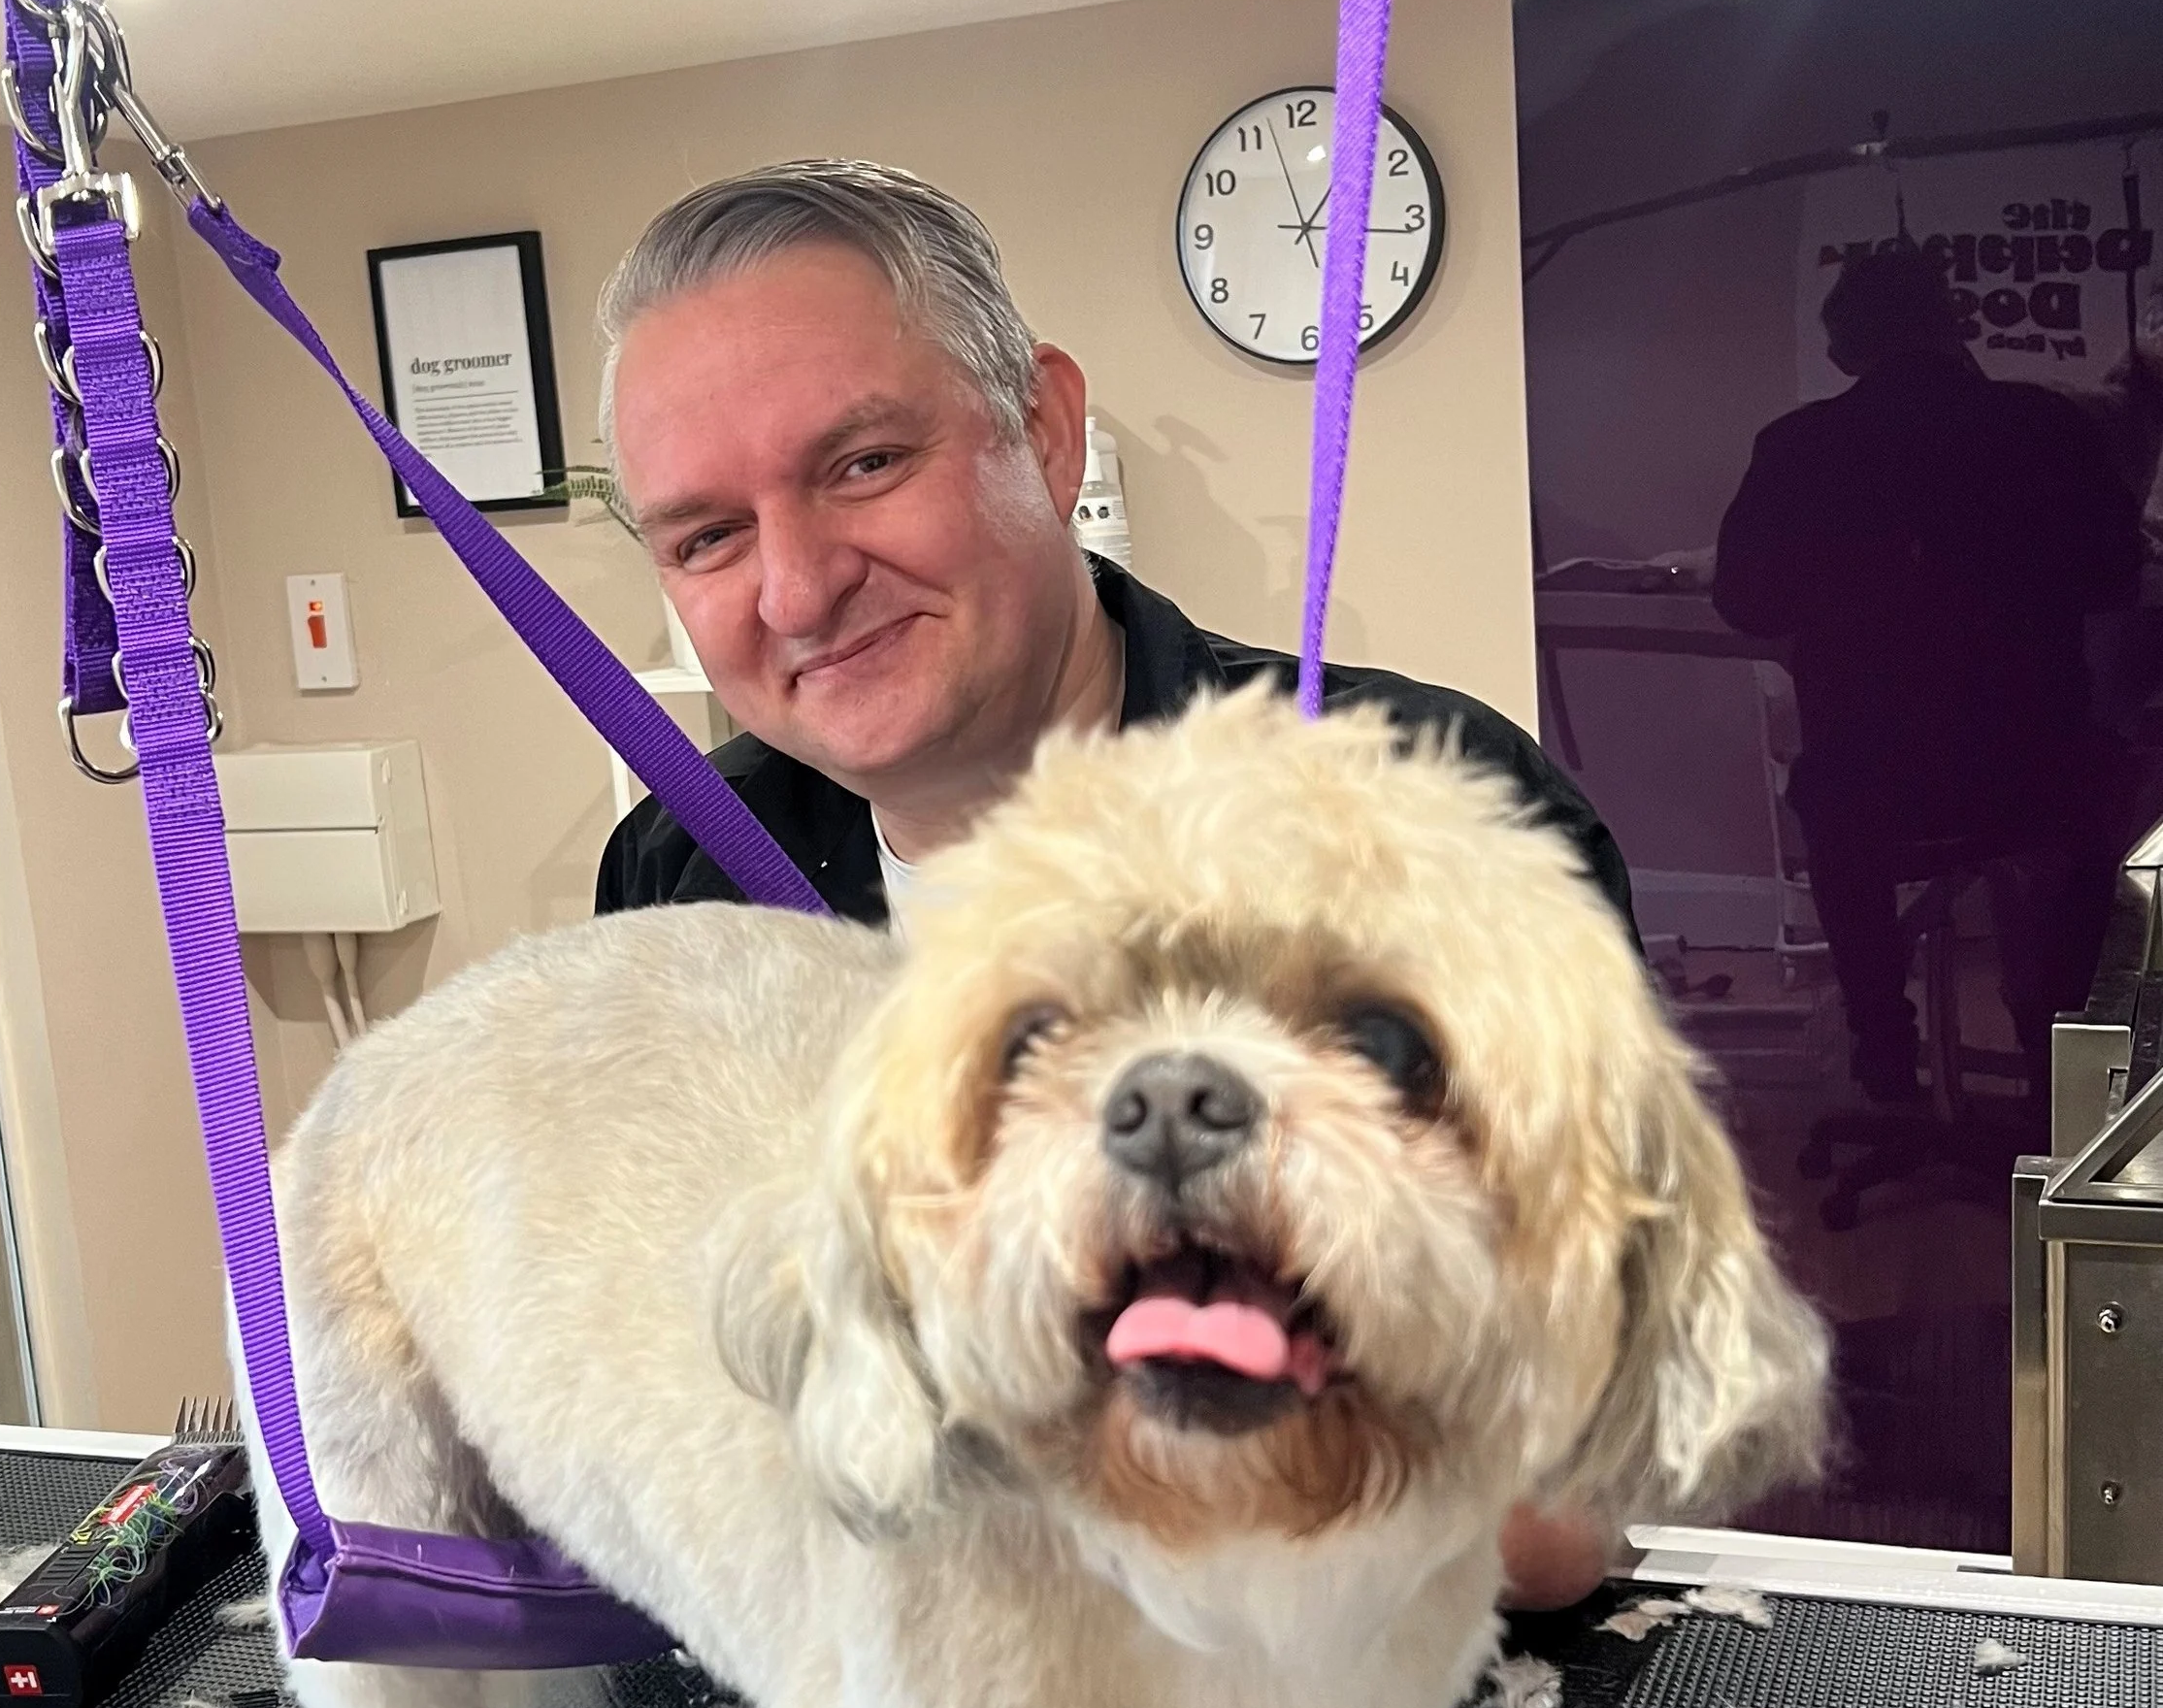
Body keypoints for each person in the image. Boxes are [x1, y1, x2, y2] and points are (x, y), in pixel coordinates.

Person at [592, 158, 1632, 1604]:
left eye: (863, 464)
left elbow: (1565, 1523)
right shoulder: (681, 882)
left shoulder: (1435, 826)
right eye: (707, 536)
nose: (795, 588)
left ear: (1047, 429)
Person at [1714, 242, 2146, 1104]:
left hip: (1872, 775)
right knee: (2102, 781)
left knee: (1835, 801)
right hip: (2032, 767)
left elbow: (1745, 602)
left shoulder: (1800, 447)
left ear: (1843, 352)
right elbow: (2114, 579)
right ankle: (2056, 1063)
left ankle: (1884, 1049)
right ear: (1956, 331)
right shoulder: (2051, 428)